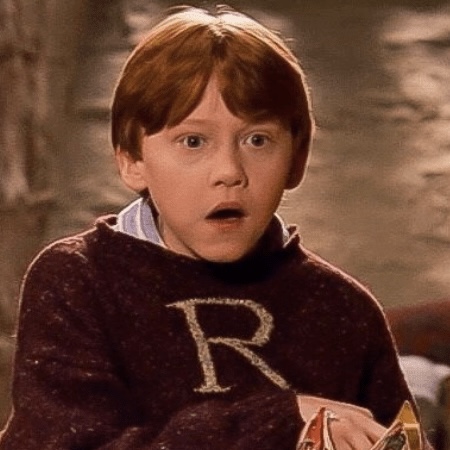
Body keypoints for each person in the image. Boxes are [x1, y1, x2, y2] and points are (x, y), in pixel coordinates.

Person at [0, 5, 427, 450]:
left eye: (257, 140)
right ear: (132, 160)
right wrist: (279, 420)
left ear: (297, 159)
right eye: (193, 141)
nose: (229, 171)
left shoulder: (344, 310)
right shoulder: (78, 280)